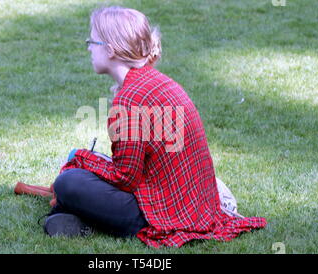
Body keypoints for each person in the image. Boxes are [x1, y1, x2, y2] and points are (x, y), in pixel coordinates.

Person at [43, 6, 266, 248]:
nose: (88, 47)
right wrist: (83, 159)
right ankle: (78, 216)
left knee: (70, 182)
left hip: (166, 212)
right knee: (76, 160)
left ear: (111, 50)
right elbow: (134, 166)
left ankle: (84, 218)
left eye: (91, 41)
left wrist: (84, 161)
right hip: (187, 200)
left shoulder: (130, 99)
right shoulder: (152, 81)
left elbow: (125, 178)